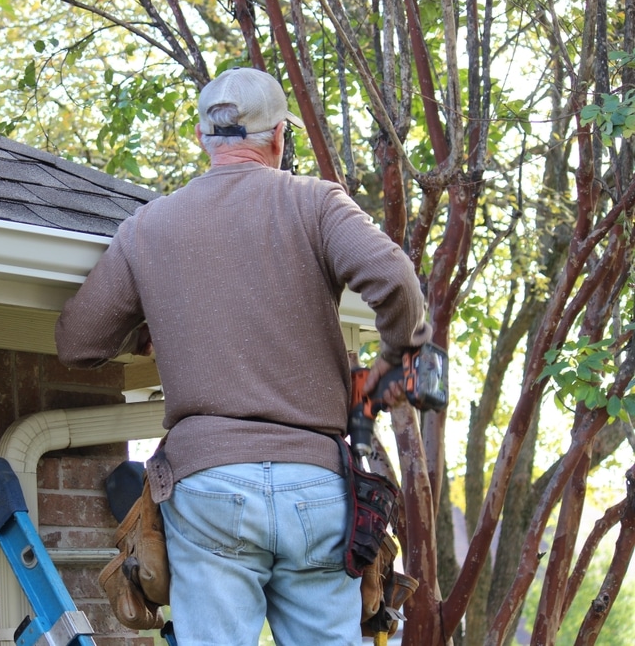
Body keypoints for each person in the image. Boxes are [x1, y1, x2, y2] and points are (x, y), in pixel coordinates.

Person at [55, 67, 431, 646]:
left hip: (209, 483)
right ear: (279, 137)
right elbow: (395, 279)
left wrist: (149, 330)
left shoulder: (150, 226)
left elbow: (79, 343)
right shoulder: (315, 205)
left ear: (203, 137)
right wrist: (395, 356)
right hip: (316, 484)